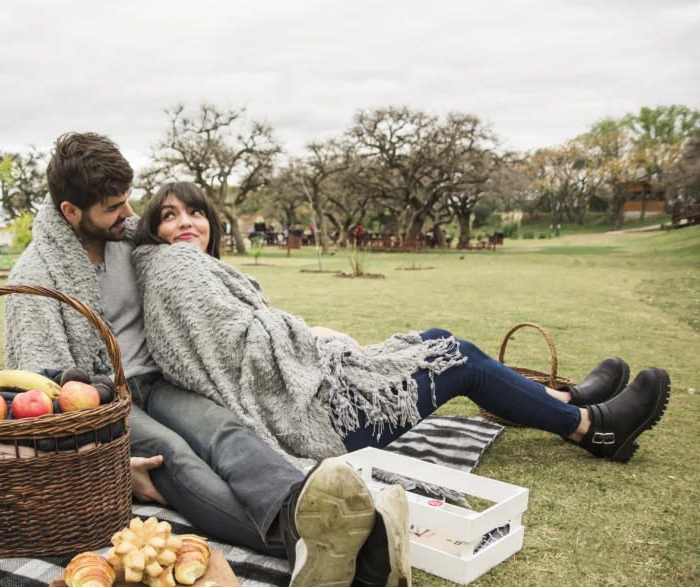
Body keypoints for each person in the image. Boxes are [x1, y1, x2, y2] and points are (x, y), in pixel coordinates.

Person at [3, 133, 401, 587]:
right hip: (104, 400)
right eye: (113, 207)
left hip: (162, 380)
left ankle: (302, 506)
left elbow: (200, 278)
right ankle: (301, 539)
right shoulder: (34, 278)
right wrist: (103, 458)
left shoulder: (133, 241)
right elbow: (35, 388)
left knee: (226, 432)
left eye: (128, 201)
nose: (129, 216)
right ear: (72, 212)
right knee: (172, 455)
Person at [133, 182, 671, 466]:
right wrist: (311, 339)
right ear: (155, 227)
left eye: (195, 211)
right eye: (170, 214)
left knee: (437, 341)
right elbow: (238, 353)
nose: (185, 223)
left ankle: (568, 401)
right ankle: (592, 428)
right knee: (456, 357)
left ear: (211, 220)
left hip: (318, 392)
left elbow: (244, 337)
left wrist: (312, 342)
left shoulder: (200, 271)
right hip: (322, 421)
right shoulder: (178, 270)